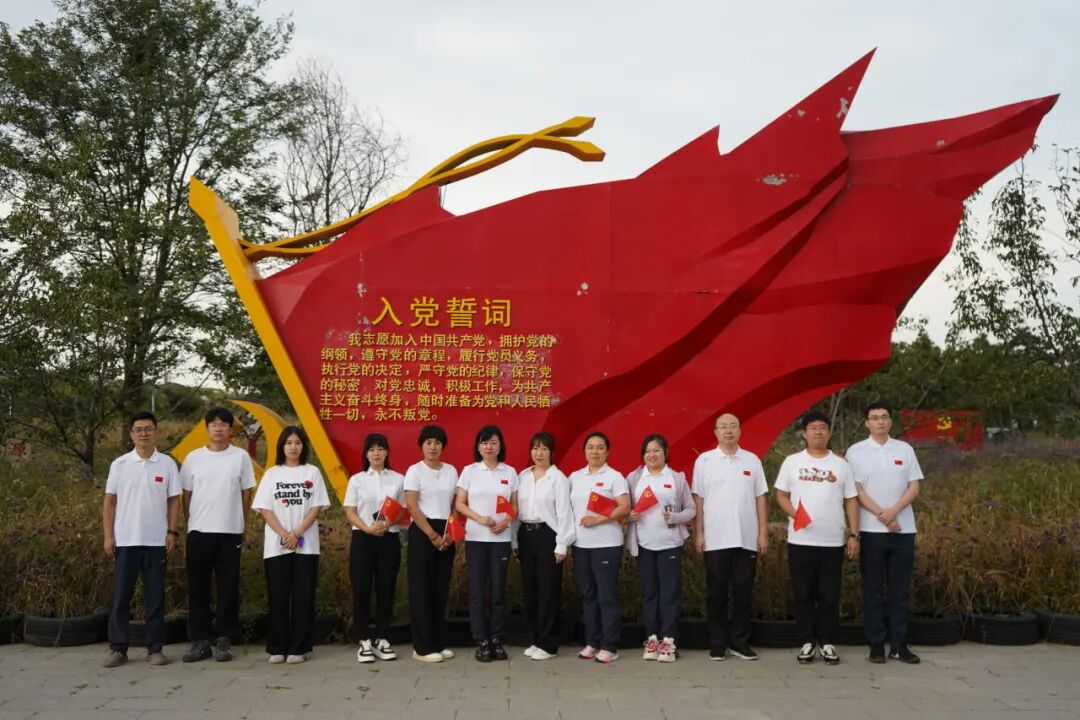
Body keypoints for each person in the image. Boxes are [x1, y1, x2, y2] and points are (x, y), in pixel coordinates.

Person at [775, 411, 859, 665]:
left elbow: (851, 500)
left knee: (829, 594)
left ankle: (828, 642)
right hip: (801, 540)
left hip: (832, 541)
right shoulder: (792, 462)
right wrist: (795, 514)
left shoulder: (841, 464)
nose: (818, 432)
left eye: (823, 427)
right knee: (803, 593)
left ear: (829, 432)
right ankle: (807, 641)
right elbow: (781, 495)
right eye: (813, 428)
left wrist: (854, 534)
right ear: (804, 433)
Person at [101, 411, 181, 668]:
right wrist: (108, 535)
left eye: (148, 429)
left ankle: (155, 648)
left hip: (156, 542)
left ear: (156, 432)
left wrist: (172, 531)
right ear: (131, 434)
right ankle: (118, 648)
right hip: (126, 540)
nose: (143, 433)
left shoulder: (167, 464)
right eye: (138, 429)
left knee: (155, 597)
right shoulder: (120, 464)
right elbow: (109, 502)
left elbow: (174, 501)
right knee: (121, 598)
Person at [846, 402, 923, 664]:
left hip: (903, 529)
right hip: (871, 530)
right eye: (874, 418)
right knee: (873, 589)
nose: (880, 421)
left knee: (900, 590)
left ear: (890, 421)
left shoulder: (904, 449)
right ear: (866, 423)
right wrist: (883, 514)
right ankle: (876, 644)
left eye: (884, 417)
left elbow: (914, 487)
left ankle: (899, 645)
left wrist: (894, 512)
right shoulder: (856, 452)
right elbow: (855, 491)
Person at [180, 407, 256, 663]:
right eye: (213, 424)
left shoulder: (240, 457)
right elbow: (186, 494)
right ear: (207, 428)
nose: (218, 428)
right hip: (199, 531)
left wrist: (241, 522)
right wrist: (190, 523)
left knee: (228, 587)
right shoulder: (193, 458)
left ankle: (224, 638)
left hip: (230, 531)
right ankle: (200, 640)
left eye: (223, 424)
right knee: (198, 587)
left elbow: (246, 493)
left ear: (230, 429)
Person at [692, 413, 768, 662]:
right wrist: (699, 533)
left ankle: (740, 643)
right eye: (723, 427)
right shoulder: (704, 461)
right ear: (715, 432)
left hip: (746, 537)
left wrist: (763, 532)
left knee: (743, 593)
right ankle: (717, 644)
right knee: (716, 593)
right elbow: (698, 500)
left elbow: (760, 497)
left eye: (733, 426)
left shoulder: (752, 460)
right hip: (715, 538)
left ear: (740, 430)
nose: (728, 431)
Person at [251, 426, 330, 664]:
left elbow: (316, 507)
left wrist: (296, 533)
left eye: (297, 443)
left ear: (303, 446)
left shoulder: (312, 472)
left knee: (303, 596)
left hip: (306, 545)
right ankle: (277, 647)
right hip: (277, 545)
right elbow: (265, 508)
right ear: (282, 446)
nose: (293, 447)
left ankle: (298, 648)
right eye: (288, 443)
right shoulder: (272, 474)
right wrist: (285, 534)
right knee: (278, 595)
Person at [626, 434, 695, 663]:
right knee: (649, 594)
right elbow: (625, 508)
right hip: (644, 545)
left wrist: (675, 517)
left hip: (670, 545)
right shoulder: (635, 478)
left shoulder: (676, 478)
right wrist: (630, 515)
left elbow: (691, 509)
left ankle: (669, 641)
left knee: (669, 594)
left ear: (665, 453)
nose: (651, 455)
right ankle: (652, 638)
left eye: (656, 450)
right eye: (647, 451)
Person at [455, 425, 517, 662]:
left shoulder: (509, 472)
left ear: (500, 446)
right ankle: (481, 640)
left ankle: (497, 639)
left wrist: (507, 521)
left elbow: (514, 506)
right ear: (478, 447)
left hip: (501, 539)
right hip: (476, 539)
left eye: (493, 442)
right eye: (484, 442)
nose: (489, 447)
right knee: (478, 592)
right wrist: (479, 518)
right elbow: (460, 504)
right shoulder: (470, 471)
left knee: (498, 590)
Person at [568, 431, 630, 664]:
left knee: (606, 595)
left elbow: (624, 506)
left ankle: (609, 645)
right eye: (590, 447)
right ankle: (592, 642)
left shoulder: (615, 477)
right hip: (581, 544)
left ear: (607, 452)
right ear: (584, 451)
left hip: (607, 544)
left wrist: (597, 520)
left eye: (600, 447)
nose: (595, 452)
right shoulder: (575, 477)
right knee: (588, 594)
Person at [344, 433, 405, 663]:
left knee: (386, 589)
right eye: (371, 449)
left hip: (389, 538)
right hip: (363, 538)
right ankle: (363, 640)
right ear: (366, 454)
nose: (376, 453)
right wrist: (367, 528)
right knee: (361, 589)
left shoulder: (398, 479)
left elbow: (402, 509)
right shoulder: (357, 480)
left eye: (380, 449)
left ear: (387, 452)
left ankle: (382, 638)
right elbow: (350, 511)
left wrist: (388, 523)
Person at [515, 431, 574, 661]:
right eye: (535, 448)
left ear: (551, 452)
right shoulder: (523, 476)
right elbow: (515, 510)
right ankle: (535, 638)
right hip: (525, 534)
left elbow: (564, 513)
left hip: (548, 535)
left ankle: (548, 644)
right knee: (530, 589)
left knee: (548, 590)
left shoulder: (558, 478)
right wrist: (514, 540)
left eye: (544, 448)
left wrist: (562, 545)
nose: (539, 453)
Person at [404, 425, 459, 663]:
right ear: (422, 445)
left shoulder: (451, 471)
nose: (433, 447)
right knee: (421, 589)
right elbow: (412, 505)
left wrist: (450, 533)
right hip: (423, 532)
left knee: (440, 589)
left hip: (446, 533)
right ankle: (422, 647)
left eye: (437, 442)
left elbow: (454, 506)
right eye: (428, 442)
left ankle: (437, 642)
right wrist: (432, 535)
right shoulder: (414, 471)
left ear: (443, 446)